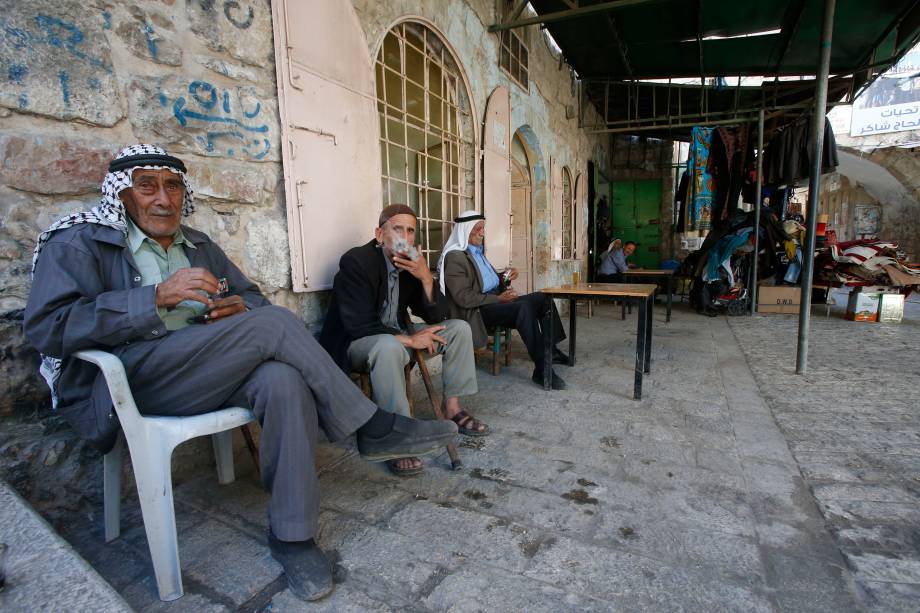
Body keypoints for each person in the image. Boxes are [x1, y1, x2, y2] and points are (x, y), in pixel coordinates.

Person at [23, 145, 457, 602]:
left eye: (172, 186)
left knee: (283, 381)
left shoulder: (199, 246)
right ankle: (371, 426)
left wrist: (238, 307)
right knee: (275, 326)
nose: (162, 199)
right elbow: (49, 326)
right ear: (122, 195)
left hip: (205, 368)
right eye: (145, 186)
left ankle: (293, 537)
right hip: (135, 378)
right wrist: (151, 300)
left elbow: (253, 301)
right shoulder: (81, 241)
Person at [319, 204, 487, 477]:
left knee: (458, 328)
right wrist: (410, 341)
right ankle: (397, 433)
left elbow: (438, 313)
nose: (405, 237)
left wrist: (426, 279)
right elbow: (359, 325)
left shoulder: (410, 264)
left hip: (399, 339)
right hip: (358, 344)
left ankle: (452, 408)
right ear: (379, 233)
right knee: (388, 346)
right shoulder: (357, 262)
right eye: (398, 229)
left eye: (411, 231)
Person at [438, 210, 569, 391]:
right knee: (523, 309)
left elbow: (489, 280)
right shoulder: (455, 257)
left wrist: (506, 277)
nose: (482, 233)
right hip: (478, 310)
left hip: (494, 301)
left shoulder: (478, 252)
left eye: (483, 228)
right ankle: (541, 367)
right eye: (478, 229)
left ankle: (551, 351)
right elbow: (463, 297)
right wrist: (498, 298)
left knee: (543, 298)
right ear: (465, 231)